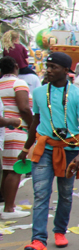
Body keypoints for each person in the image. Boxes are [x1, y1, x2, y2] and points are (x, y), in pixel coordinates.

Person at [18, 52, 79, 250]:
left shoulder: (78, 95)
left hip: (69, 151)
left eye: (53, 67)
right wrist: (25, 148)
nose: (48, 70)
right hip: (44, 149)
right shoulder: (40, 93)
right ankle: (38, 240)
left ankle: (60, 231)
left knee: (65, 195)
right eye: (47, 66)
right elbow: (35, 121)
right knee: (41, 194)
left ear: (66, 71)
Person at [1, 56, 33, 219]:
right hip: (17, 129)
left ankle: (7, 205)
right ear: (15, 66)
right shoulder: (18, 83)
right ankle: (9, 209)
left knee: (7, 169)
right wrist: (33, 125)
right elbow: (24, 108)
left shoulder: (1, 83)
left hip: (4, 131)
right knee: (15, 169)